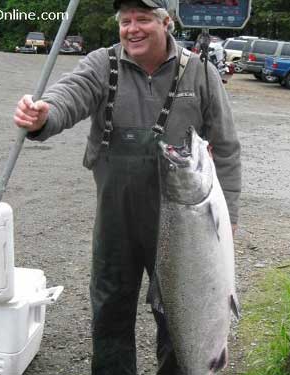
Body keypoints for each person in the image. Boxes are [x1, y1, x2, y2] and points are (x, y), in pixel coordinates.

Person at [13, 0, 241, 373]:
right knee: (110, 308)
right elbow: (69, 95)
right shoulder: (103, 64)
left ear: (166, 22)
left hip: (186, 225)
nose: (132, 28)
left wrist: (228, 216)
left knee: (179, 311)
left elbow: (227, 149)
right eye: (126, 20)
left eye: (144, 19)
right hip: (116, 217)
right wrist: (44, 115)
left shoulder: (200, 73)